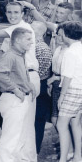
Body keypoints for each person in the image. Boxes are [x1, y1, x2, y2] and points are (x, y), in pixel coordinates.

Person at [0, 1, 40, 162]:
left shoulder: (20, 29)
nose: (12, 15)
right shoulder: (15, 37)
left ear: (22, 14)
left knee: (22, 129)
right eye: (9, 12)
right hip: (18, 82)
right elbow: (4, 62)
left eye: (16, 12)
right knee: (18, 130)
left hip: (25, 78)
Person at [0, 27, 37, 162]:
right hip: (12, 100)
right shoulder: (10, 55)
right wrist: (16, 89)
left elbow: (18, 74)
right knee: (10, 140)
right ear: (17, 40)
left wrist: (29, 85)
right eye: (28, 39)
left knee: (19, 138)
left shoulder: (20, 54)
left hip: (19, 100)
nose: (31, 42)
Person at [51, 21, 82, 162]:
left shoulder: (70, 52)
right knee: (75, 123)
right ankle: (77, 157)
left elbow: (67, 76)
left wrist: (62, 96)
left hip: (73, 90)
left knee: (61, 125)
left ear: (67, 35)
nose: (60, 36)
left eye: (62, 34)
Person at [31, 21, 53, 154]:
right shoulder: (33, 46)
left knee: (37, 120)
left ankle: (34, 149)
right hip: (36, 84)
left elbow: (40, 71)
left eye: (34, 30)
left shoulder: (42, 48)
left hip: (40, 85)